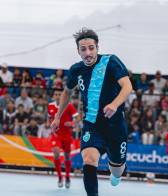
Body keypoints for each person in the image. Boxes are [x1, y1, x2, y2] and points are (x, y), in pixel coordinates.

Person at [51, 28, 132, 196]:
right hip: (92, 124)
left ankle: (115, 172)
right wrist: (57, 116)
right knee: (88, 159)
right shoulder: (76, 70)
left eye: (91, 48)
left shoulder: (111, 61)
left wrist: (114, 105)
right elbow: (67, 91)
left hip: (115, 125)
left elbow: (127, 86)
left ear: (97, 47)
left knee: (117, 170)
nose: (88, 53)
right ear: (78, 51)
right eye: (83, 49)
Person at [48, 90, 79, 188]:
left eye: (59, 95)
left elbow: (78, 118)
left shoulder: (69, 105)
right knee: (56, 153)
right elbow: (49, 118)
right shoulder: (50, 106)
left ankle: (68, 177)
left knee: (67, 156)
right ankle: (60, 177)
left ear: (62, 96)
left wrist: (72, 123)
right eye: (55, 94)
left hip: (67, 135)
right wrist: (49, 125)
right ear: (53, 96)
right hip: (56, 135)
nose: (57, 96)